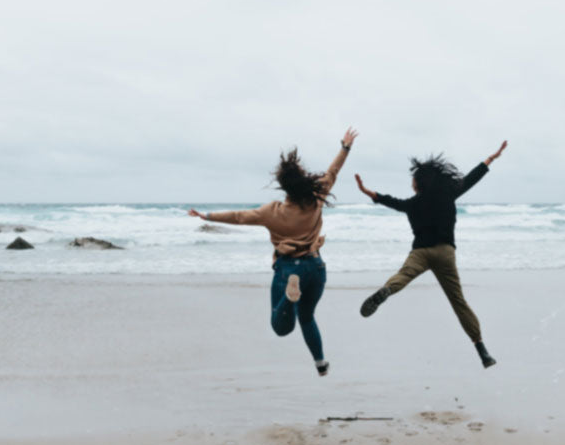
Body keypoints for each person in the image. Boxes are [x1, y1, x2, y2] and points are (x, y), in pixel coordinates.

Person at [188, 128, 358, 376]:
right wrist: (345, 148)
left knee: (281, 328)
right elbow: (333, 171)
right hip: (316, 267)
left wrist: (207, 215)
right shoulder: (317, 196)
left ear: (283, 186)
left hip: (289, 269)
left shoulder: (272, 212)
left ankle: (289, 298)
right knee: (307, 317)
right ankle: (320, 362)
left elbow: (239, 216)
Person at [354, 141, 507, 368]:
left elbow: (391, 201)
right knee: (458, 301)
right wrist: (491, 159)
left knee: (403, 276)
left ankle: (387, 290)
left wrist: (369, 192)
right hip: (445, 253)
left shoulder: (412, 204)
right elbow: (472, 178)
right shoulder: (449, 193)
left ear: (419, 182)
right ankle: (482, 351)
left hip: (420, 253)